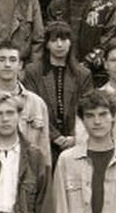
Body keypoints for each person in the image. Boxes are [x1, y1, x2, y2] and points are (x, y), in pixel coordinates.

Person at [23, 20, 93, 164]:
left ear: (70, 43)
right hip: (42, 138)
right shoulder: (33, 71)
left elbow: (88, 108)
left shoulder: (83, 74)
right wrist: (55, 136)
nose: (59, 45)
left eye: (64, 39)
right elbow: (32, 107)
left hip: (75, 142)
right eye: (54, 40)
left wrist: (74, 137)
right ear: (47, 44)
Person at [47, 0, 116, 85]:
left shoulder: (106, 5)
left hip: (97, 75)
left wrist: (86, 64)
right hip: (63, 72)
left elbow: (108, 39)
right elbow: (52, 39)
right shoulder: (56, 6)